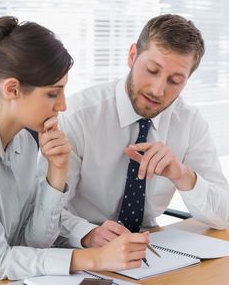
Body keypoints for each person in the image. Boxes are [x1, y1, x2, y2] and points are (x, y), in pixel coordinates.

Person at [51, 13, 229, 249]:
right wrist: (87, 234)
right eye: (152, 70)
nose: (158, 90)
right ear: (133, 55)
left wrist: (183, 175)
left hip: (148, 249)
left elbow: (223, 214)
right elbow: (44, 212)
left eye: (175, 81)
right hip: (81, 251)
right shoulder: (78, 116)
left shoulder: (189, 122)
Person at [0, 16, 149, 280]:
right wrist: (96, 258)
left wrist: (57, 173)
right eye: (53, 94)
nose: (63, 106)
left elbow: (32, 243)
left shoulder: (24, 142)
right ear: (12, 89)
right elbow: (1, 261)